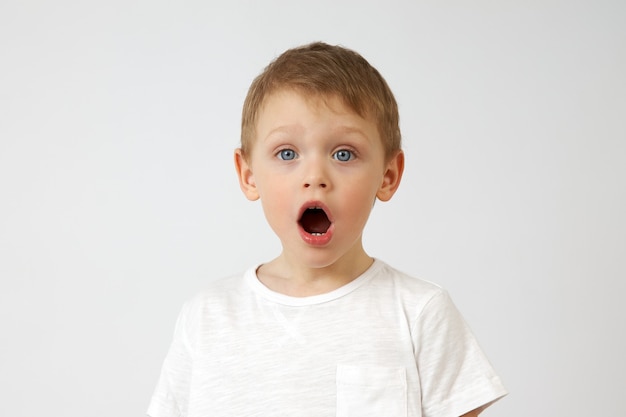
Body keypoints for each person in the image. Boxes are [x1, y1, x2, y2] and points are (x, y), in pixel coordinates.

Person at [147, 42, 507, 417]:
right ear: (249, 175)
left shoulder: (419, 313)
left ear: (388, 176)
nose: (315, 177)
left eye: (343, 154)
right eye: (287, 154)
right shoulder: (207, 316)